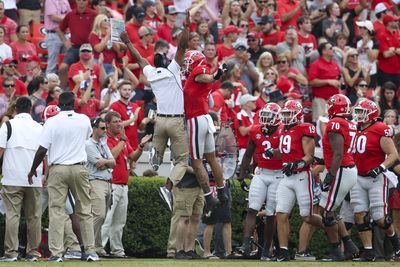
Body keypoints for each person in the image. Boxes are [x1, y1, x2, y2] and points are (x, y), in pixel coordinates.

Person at [28, 91, 98, 262]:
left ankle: (57, 253)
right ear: (74, 103)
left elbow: (42, 149)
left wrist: (32, 169)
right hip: (79, 168)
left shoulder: (52, 122)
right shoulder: (83, 119)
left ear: (59, 104)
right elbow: (86, 136)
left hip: (58, 169)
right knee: (85, 211)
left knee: (57, 211)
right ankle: (90, 251)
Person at [120, 11, 189, 185]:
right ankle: (169, 185)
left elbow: (139, 57)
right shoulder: (172, 70)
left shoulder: (151, 73)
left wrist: (127, 42)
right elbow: (181, 47)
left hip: (160, 121)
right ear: (167, 62)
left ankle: (154, 168)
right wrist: (187, 27)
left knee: (157, 159)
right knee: (181, 161)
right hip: (175, 120)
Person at [267, 100, 323, 261]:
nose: (285, 117)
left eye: (288, 114)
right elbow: (285, 152)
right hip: (287, 177)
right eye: (284, 114)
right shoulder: (283, 130)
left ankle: (334, 230)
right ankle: (283, 251)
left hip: (302, 176)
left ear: (298, 115)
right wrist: (273, 152)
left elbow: (309, 156)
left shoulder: (304, 129)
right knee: (281, 213)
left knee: (307, 216)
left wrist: (295, 164)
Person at [351, 98, 400, 261]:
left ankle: (397, 245)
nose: (358, 115)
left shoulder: (380, 128)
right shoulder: (356, 129)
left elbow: (393, 155)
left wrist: (380, 167)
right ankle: (369, 251)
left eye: (361, 112)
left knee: (380, 217)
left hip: (376, 178)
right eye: (357, 111)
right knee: (359, 215)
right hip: (358, 177)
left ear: (371, 114)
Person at [101, 111, 151, 258]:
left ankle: (117, 251)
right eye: (116, 121)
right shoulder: (106, 139)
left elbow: (132, 156)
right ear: (108, 124)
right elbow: (111, 156)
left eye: (120, 121)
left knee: (119, 221)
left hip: (123, 184)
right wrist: (122, 141)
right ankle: (99, 249)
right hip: (112, 184)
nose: (119, 124)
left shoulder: (121, 138)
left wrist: (141, 147)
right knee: (107, 219)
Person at [237, 103, 283, 260]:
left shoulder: (283, 131)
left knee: (271, 214)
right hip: (261, 173)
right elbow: (248, 154)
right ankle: (245, 244)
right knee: (252, 208)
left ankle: (267, 249)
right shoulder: (256, 130)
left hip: (278, 174)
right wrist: (242, 176)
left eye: (270, 116)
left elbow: (288, 153)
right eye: (265, 116)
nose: (266, 120)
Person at [0, 96, 42, 262]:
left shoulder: (8, 125)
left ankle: (11, 253)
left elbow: (0, 152)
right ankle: (33, 253)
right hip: (35, 178)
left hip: (12, 177)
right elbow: (44, 154)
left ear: (15, 109)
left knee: (12, 215)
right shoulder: (39, 127)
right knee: (34, 217)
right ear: (30, 109)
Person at [319, 94, 359, 261]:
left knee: (327, 212)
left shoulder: (335, 123)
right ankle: (349, 246)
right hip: (345, 169)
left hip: (341, 169)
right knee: (330, 210)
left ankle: (337, 251)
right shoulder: (348, 123)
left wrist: (330, 175)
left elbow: (338, 153)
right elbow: (336, 152)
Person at [85, 117, 115, 256]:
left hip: (107, 182)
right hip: (95, 180)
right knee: (98, 215)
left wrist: (106, 162)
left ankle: (96, 246)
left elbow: (113, 162)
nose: (105, 131)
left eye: (105, 128)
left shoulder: (103, 143)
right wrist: (106, 162)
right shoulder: (88, 144)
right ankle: (89, 246)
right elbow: (98, 164)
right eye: (102, 128)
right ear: (94, 129)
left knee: (102, 217)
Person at [308, 42, 341, 122]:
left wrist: (339, 82)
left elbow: (338, 77)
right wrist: (328, 81)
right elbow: (311, 82)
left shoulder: (335, 64)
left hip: (334, 100)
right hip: (321, 100)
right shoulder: (316, 64)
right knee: (320, 124)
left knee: (334, 124)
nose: (333, 50)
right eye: (330, 48)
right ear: (324, 51)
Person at [44, 0, 71, 75]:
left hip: (65, 34)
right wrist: (68, 19)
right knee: (52, 63)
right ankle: (48, 84)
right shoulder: (50, 1)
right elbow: (53, 17)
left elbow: (70, 14)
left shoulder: (65, 1)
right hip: (53, 34)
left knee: (66, 62)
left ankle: (63, 85)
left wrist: (70, 18)